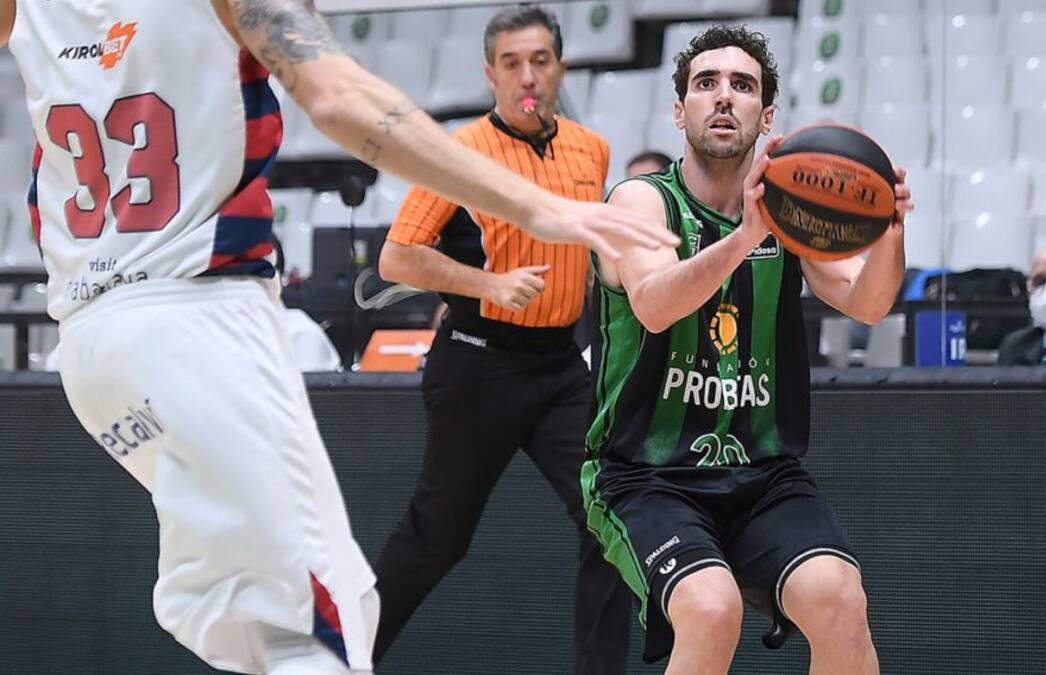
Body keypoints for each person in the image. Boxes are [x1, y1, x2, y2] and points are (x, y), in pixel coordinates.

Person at [0, 2, 673, 674]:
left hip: (90, 343)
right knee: (321, 631)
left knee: (261, 623)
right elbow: (338, 97)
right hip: (197, 316)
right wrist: (536, 206)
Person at [584, 25, 912, 674]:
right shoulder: (640, 202)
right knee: (711, 608)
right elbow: (653, 303)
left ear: (766, 116)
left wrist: (890, 232)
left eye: (743, 85)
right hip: (646, 474)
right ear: (680, 111)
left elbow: (869, 302)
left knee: (841, 597)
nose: (724, 96)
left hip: (761, 472)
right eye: (706, 84)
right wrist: (743, 237)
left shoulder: (790, 214)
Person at [371, 6, 630, 673]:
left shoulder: (591, 148)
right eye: (511, 63)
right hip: (477, 367)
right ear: (490, 73)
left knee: (612, 516)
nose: (527, 76)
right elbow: (397, 258)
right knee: (437, 539)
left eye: (539, 61)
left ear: (560, 68)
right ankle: (338, 658)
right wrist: (487, 284)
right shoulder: (457, 154)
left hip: (559, 367)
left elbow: (593, 252)